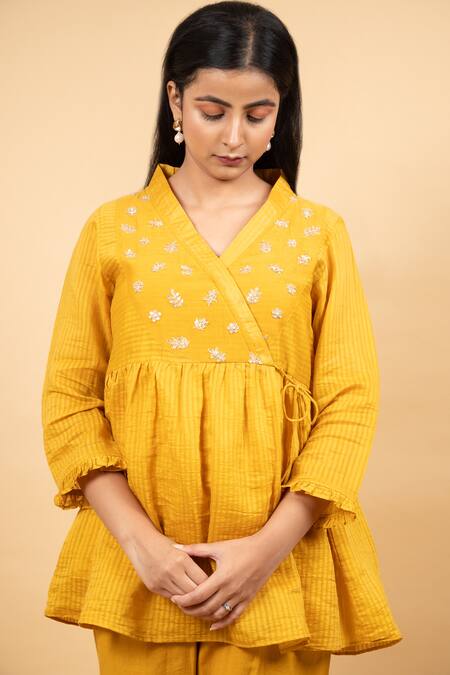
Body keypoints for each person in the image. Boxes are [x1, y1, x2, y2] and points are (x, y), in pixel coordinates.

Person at [41, 2, 403, 673]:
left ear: (281, 111)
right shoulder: (113, 230)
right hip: (139, 569)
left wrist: (267, 550)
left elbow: (350, 404)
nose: (234, 136)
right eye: (213, 111)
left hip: (278, 570)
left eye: (258, 114)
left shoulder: (318, 234)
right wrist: (143, 545)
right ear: (175, 100)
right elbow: (70, 399)